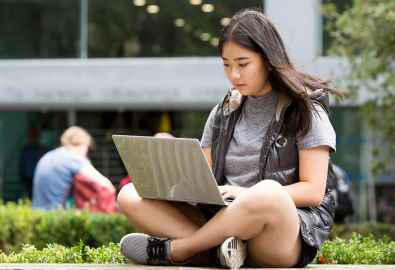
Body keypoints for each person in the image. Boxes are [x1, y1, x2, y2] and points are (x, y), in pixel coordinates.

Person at [118, 8, 338, 268]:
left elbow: (313, 191)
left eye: (243, 64)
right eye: (226, 64)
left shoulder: (305, 109)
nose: (234, 75)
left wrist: (244, 194)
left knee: (268, 192)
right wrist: (172, 176)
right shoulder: (224, 111)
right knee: (129, 194)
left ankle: (181, 250)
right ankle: (220, 252)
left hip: (277, 233)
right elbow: (203, 177)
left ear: (267, 60)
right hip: (223, 221)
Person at [32, 126, 115, 210]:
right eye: (87, 148)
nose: (87, 153)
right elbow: (106, 185)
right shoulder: (73, 158)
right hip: (54, 215)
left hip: (37, 213)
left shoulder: (50, 155)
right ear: (83, 144)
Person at [19, 127, 48, 199]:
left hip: (40, 177)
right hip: (28, 178)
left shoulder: (43, 149)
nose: (33, 137)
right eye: (31, 135)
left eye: (35, 135)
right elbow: (22, 165)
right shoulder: (25, 150)